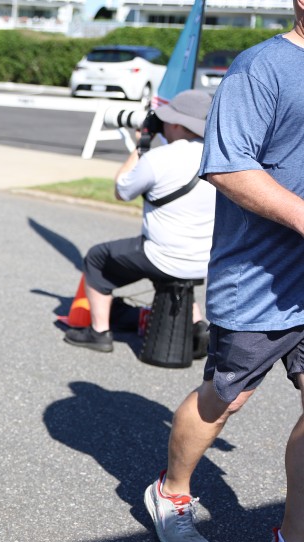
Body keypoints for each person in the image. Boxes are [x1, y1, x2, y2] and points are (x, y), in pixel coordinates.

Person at [144, 5, 304, 542]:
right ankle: (172, 492)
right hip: (259, 279)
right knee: (225, 398)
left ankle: (292, 540)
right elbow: (229, 166)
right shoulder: (261, 68)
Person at [64, 89, 215, 354]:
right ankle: (196, 324)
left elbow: (121, 191)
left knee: (97, 258)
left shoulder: (159, 158)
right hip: (204, 261)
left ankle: (99, 332)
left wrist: (142, 145)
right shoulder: (219, 157)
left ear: (176, 124)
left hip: (163, 257)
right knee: (170, 267)